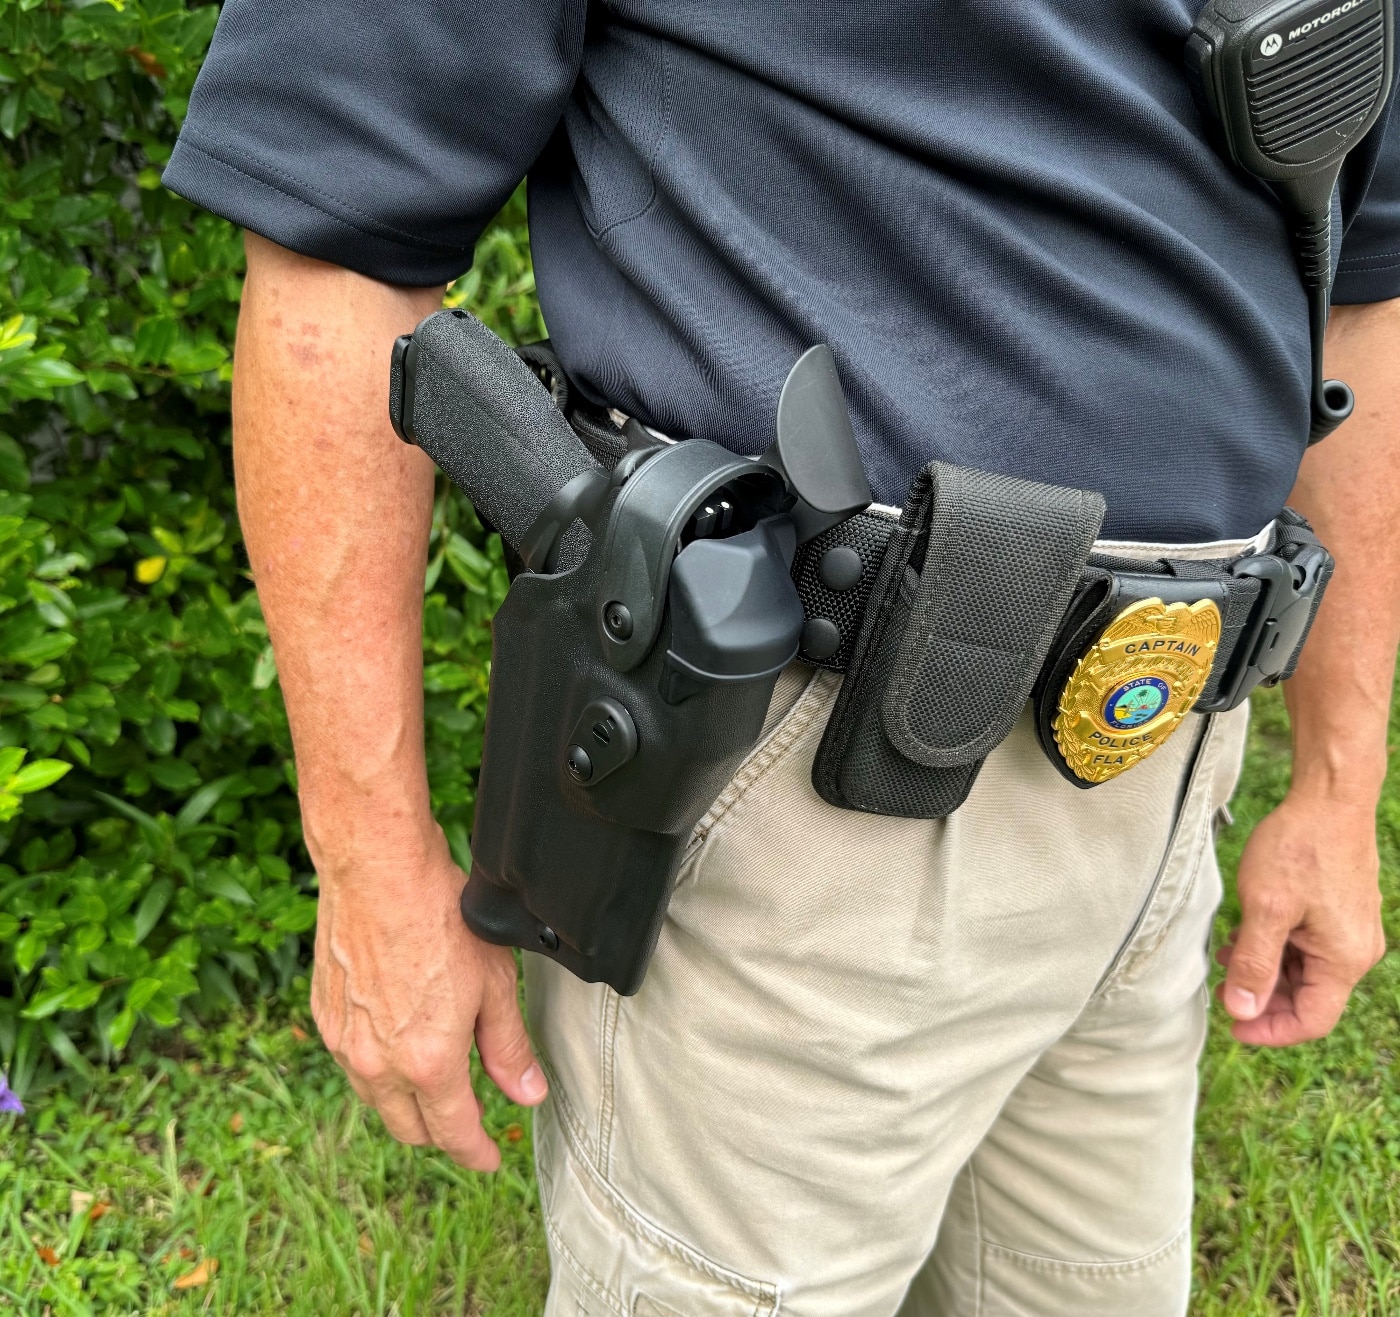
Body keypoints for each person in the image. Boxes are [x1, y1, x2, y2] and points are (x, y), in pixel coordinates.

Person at [163, 2, 1399, 1311]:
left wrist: (1336, 775)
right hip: (802, 793)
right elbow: (337, 259)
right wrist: (371, 857)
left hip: (1164, 779)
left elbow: (1360, 288)